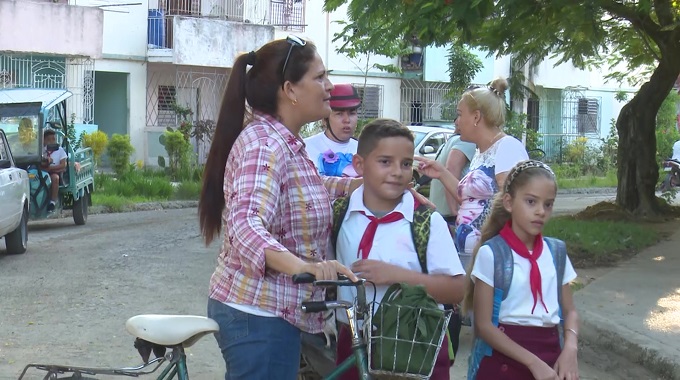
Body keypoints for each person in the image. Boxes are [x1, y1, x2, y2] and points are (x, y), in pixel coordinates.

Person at [198, 36, 361, 380]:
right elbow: (245, 225)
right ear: (290, 89)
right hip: (257, 316)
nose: (329, 87)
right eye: (319, 77)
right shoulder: (265, 145)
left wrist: (375, 185)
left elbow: (311, 190)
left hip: (274, 315)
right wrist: (304, 266)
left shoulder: (284, 141)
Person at [332, 119, 466, 380]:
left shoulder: (426, 221)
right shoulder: (338, 215)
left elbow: (457, 288)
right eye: (385, 162)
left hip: (414, 344)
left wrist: (397, 275)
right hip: (354, 342)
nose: (397, 171)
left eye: (406, 163)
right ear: (359, 164)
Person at [465, 160, 579, 380]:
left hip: (551, 358)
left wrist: (570, 349)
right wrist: (533, 363)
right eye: (530, 202)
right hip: (504, 360)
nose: (540, 211)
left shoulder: (556, 252)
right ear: (509, 202)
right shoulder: (493, 254)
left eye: (548, 204)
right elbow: (484, 325)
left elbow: (570, 311)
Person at [415, 78, 529, 266]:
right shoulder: (480, 151)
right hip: (474, 257)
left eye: (460, 115)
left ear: (476, 117)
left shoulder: (507, 147)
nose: (457, 122)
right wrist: (441, 173)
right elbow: (472, 201)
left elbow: (514, 206)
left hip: (494, 258)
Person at [427, 126, 475, 362]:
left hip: (446, 217)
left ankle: (448, 349)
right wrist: (458, 213)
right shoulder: (466, 142)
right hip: (451, 219)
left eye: (459, 113)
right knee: (454, 286)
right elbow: (452, 171)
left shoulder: (458, 139)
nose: (457, 119)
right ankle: (449, 350)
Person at [304, 83, 362, 177]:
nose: (347, 120)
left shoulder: (364, 150)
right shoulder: (306, 149)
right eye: (339, 114)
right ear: (325, 119)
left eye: (352, 113)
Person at [41, 129, 67, 212]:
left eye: (53, 139)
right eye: (49, 140)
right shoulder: (42, 150)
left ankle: (52, 202)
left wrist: (51, 168)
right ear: (44, 140)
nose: (52, 142)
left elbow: (63, 164)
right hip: (42, 170)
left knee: (55, 178)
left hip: (54, 171)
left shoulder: (59, 150)